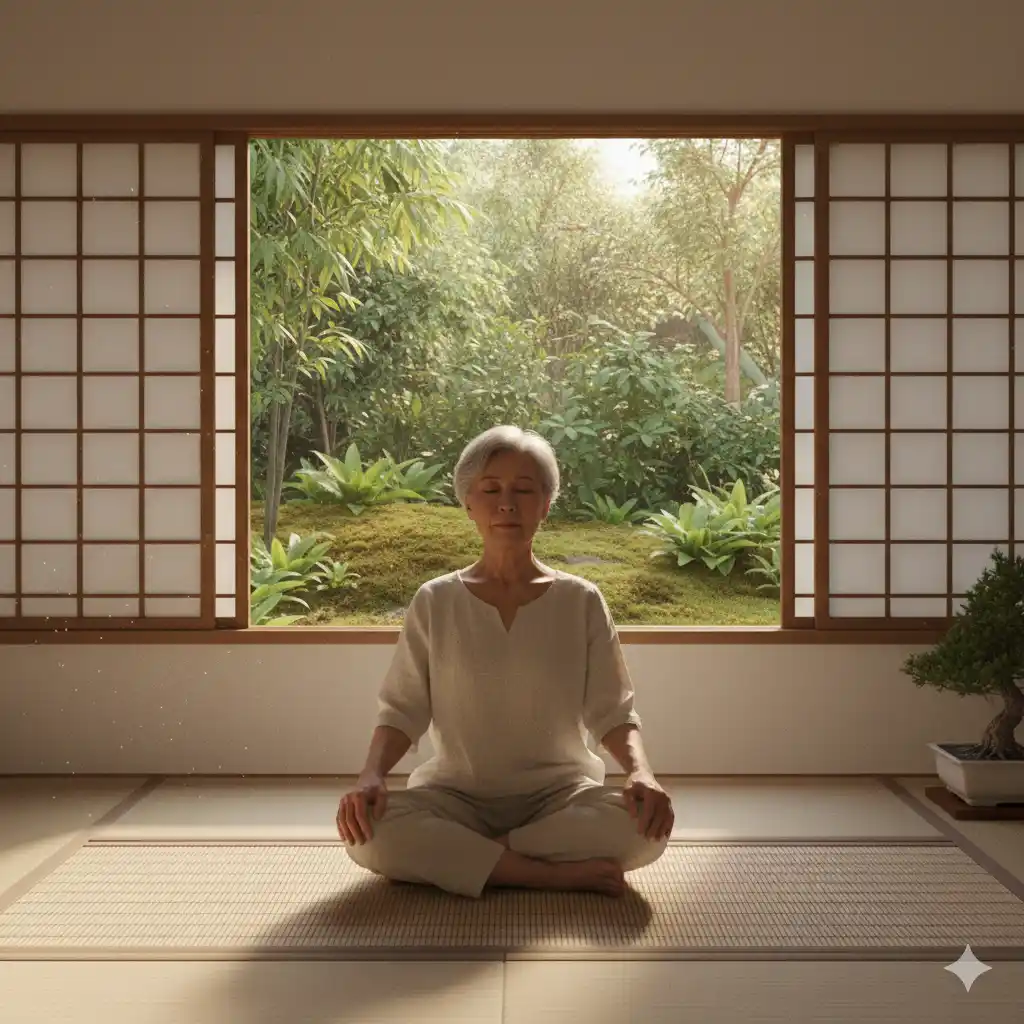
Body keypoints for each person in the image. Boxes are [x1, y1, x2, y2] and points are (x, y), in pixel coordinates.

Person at [335, 425, 673, 899]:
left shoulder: (581, 600)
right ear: (468, 504)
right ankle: (542, 872)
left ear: (546, 504)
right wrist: (370, 776)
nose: (507, 504)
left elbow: (613, 711)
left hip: (560, 796)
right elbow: (401, 710)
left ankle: (472, 860)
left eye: (524, 490)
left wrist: (642, 773)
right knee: (369, 832)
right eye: (491, 490)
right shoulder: (435, 600)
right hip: (454, 796)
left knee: (643, 829)